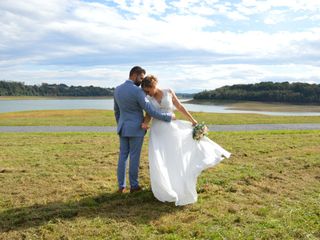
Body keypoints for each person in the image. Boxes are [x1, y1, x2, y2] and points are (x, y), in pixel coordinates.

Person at [141, 75, 231, 206]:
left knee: (175, 156)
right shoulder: (148, 98)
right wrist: (145, 123)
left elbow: (180, 107)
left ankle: (178, 184)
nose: (146, 93)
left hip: (171, 129)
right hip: (157, 131)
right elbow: (148, 114)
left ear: (153, 86)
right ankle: (164, 187)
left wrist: (192, 120)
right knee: (160, 158)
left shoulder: (168, 92)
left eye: (148, 90)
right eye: (145, 91)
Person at [113, 66, 175, 194]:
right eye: (141, 78)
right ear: (134, 75)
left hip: (123, 127)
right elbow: (150, 110)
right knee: (134, 157)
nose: (141, 81)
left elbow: (116, 111)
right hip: (136, 128)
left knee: (122, 156)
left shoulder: (117, 90)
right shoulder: (137, 92)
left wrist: (120, 124)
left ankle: (121, 186)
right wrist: (168, 116)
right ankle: (134, 186)